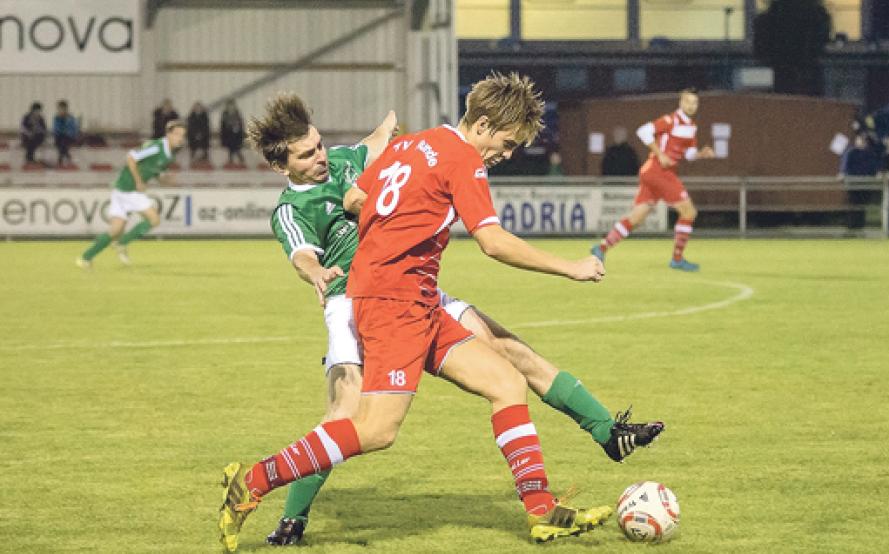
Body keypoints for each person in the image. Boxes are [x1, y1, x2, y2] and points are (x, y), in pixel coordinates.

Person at [218, 74, 617, 552]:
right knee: (375, 430)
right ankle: (253, 482)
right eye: (508, 144)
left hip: (409, 296)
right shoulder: (463, 159)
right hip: (395, 304)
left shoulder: (416, 143)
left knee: (507, 382)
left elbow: (355, 196)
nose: (507, 155)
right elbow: (492, 243)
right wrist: (570, 268)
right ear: (485, 125)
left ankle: (541, 511)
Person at [591, 88, 715, 271]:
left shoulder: (691, 127)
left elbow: (687, 154)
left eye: (695, 102)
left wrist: (700, 154)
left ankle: (600, 248)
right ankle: (677, 259)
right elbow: (643, 131)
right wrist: (661, 154)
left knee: (636, 219)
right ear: (681, 103)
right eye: (688, 101)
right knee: (689, 212)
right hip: (659, 172)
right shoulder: (670, 120)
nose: (691, 105)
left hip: (653, 173)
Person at [75, 120, 187, 268]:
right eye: (177, 134)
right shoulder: (155, 146)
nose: (180, 138)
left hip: (123, 190)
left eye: (183, 135)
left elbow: (155, 173)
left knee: (115, 230)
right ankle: (122, 243)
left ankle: (85, 258)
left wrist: (166, 181)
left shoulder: (169, 155)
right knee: (154, 219)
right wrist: (139, 181)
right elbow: (131, 157)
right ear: (168, 134)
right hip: (129, 189)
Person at [52, 100, 80, 167]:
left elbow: (74, 129)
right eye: (60, 109)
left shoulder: (70, 118)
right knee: (61, 142)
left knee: (63, 143)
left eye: (63, 109)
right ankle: (67, 158)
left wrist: (68, 132)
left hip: (69, 137)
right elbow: (55, 129)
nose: (61, 110)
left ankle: (61, 159)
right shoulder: (56, 118)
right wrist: (60, 132)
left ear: (66, 109)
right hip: (59, 137)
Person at [220, 100, 246, 166]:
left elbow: (241, 124)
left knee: (235, 144)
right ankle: (235, 157)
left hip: (236, 134)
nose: (231, 107)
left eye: (232, 106)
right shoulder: (224, 114)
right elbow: (223, 126)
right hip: (228, 134)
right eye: (229, 106)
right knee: (231, 145)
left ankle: (235, 158)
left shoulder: (237, 114)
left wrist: (238, 129)